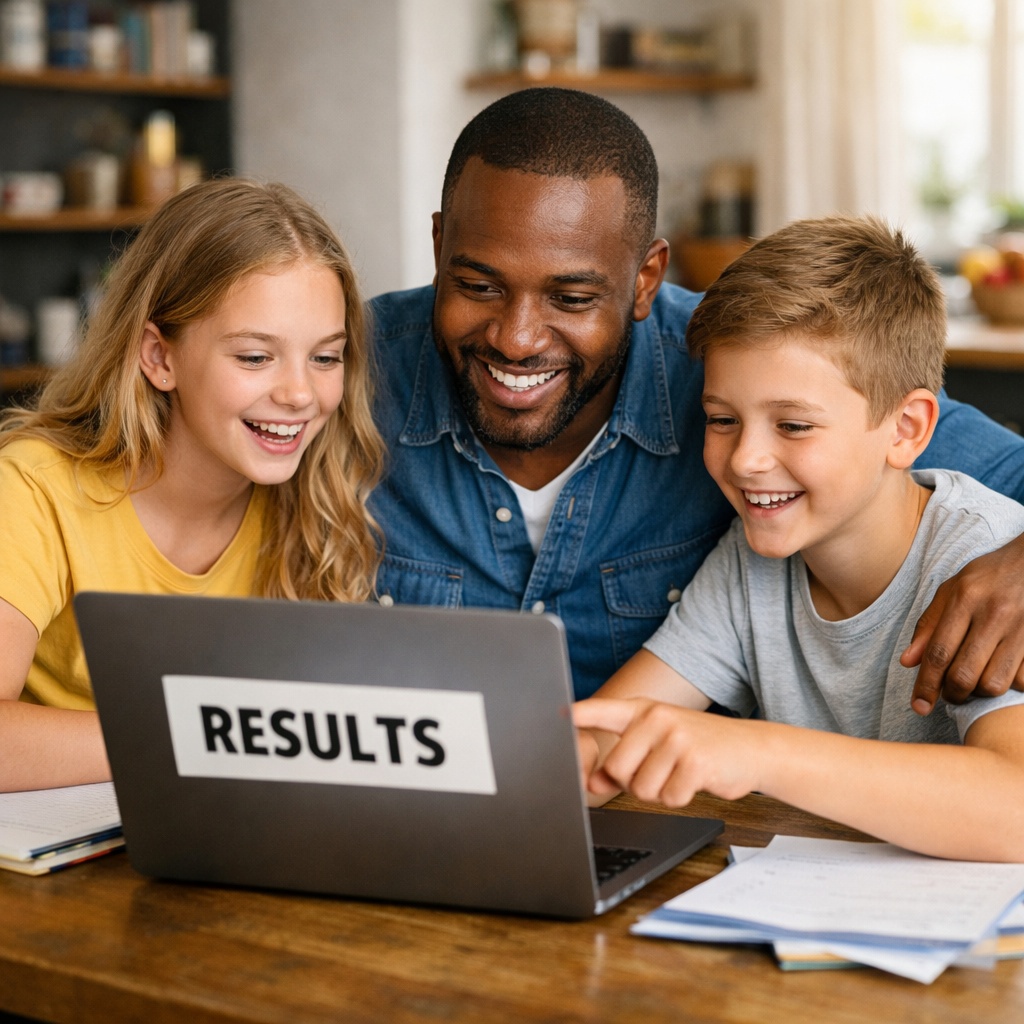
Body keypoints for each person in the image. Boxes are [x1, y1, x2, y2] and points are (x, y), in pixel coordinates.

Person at [368, 85, 1024, 707]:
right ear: (439, 247)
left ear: (646, 278)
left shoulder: (737, 369)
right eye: (479, 287)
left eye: (570, 298)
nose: (515, 340)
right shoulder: (346, 371)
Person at [572, 215, 1024, 860]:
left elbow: (1016, 806)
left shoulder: (982, 563)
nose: (746, 459)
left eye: (793, 426)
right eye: (722, 419)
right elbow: (611, 735)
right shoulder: (750, 560)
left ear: (906, 429)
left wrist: (755, 752)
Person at [0, 178, 384, 792]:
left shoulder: (315, 500)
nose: (300, 394)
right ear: (160, 357)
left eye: (325, 357)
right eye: (255, 357)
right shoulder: (33, 488)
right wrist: (202, 735)